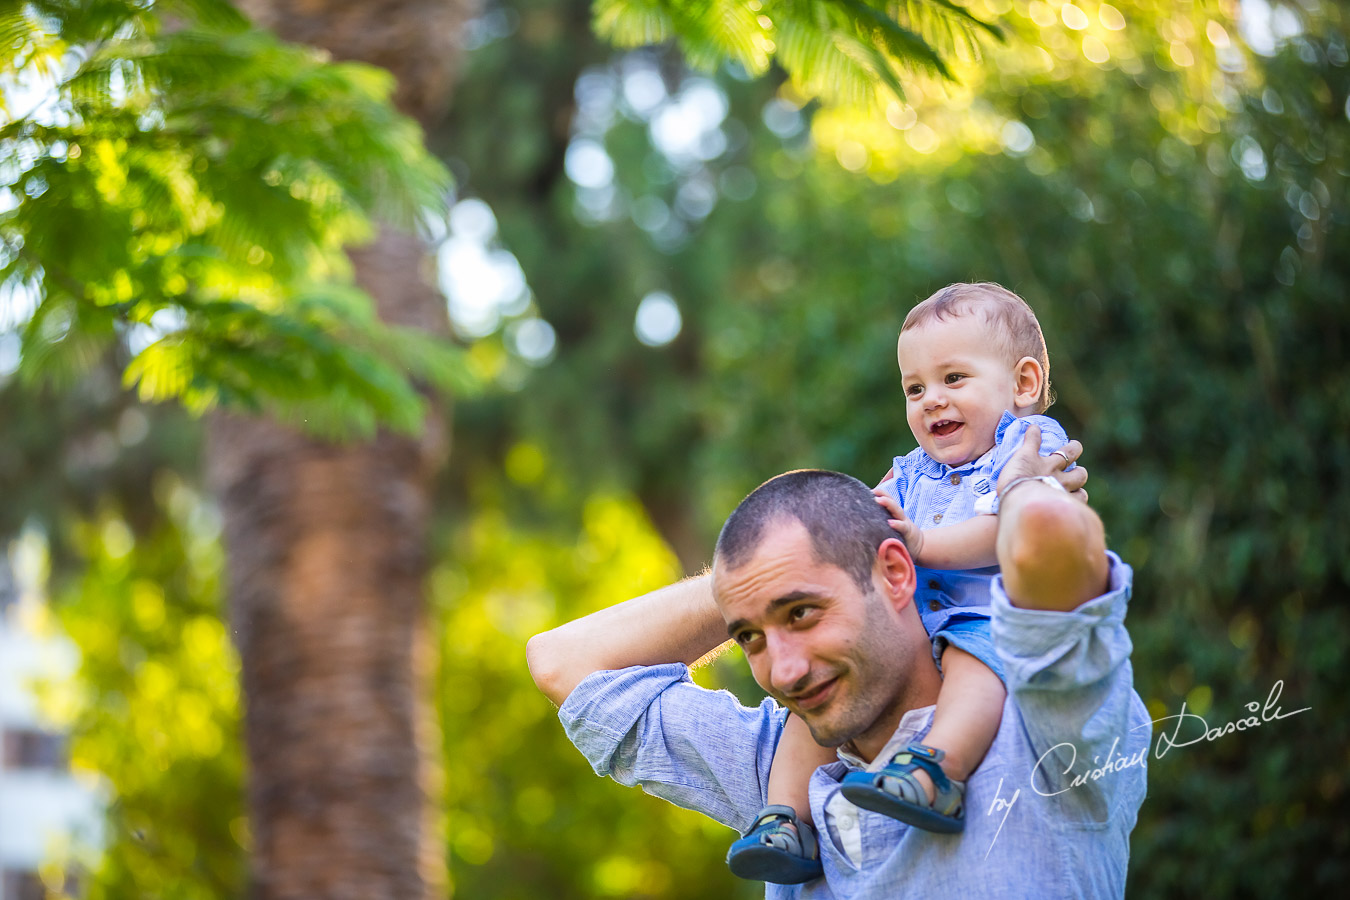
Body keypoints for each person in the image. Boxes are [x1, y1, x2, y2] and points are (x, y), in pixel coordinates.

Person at [527, 436, 1148, 898]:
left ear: (898, 573)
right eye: (750, 636)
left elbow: (1048, 543)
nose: (785, 671)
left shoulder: (1049, 724)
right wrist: (764, 566)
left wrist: (1013, 488)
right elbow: (562, 661)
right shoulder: (785, 782)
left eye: (801, 613)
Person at [727, 282, 1074, 883]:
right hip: (912, 620)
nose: (931, 401)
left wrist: (921, 542)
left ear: (1023, 384)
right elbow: (862, 521)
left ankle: (935, 771)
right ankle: (785, 819)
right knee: (815, 712)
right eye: (915, 389)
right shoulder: (913, 470)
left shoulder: (1027, 450)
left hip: (989, 615)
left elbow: (1007, 530)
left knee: (975, 665)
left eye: (954, 379)